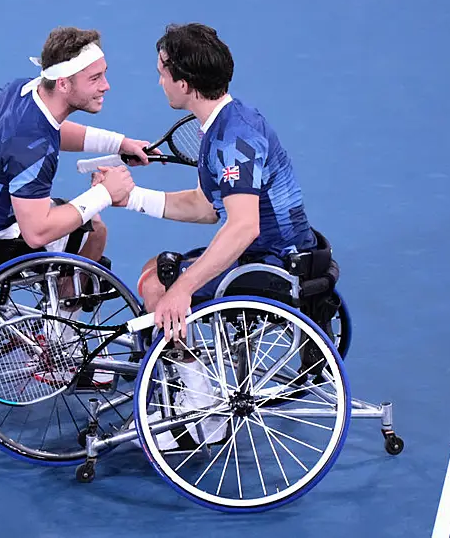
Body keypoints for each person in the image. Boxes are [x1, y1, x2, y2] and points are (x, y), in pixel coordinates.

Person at [95, 23, 320, 447]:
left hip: (270, 262)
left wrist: (183, 287)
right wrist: (132, 199)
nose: (159, 80)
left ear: (184, 83)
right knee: (151, 273)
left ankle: (198, 410)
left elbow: (242, 225)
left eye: (163, 72)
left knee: (160, 289)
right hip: (268, 248)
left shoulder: (233, 139)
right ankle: (185, 390)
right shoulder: (225, 121)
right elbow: (205, 207)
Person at [0, 26, 158, 266]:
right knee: (96, 229)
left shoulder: (21, 90)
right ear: (62, 84)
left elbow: (53, 131)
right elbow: (37, 233)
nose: (106, 85)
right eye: (94, 78)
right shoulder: (33, 149)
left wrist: (119, 144)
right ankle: (67, 303)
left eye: (104, 74)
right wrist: (105, 193)